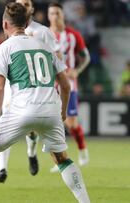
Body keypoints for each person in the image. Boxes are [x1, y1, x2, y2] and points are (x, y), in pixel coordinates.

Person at [0, 3, 90, 203]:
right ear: (28, 22)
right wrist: (62, 112)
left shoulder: (2, 49)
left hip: (22, 110)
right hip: (51, 111)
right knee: (61, 158)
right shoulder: (45, 47)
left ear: (4, 24)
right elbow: (65, 85)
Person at [0, 0, 60, 182]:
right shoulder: (11, 27)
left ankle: (31, 153)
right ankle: (2, 168)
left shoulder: (42, 32)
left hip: (37, 86)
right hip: (14, 83)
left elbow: (56, 59)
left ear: (32, 8)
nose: (23, 5)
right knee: (3, 122)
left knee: (32, 128)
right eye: (20, 3)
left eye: (26, 3)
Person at [48, 3, 91, 172]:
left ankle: (82, 149)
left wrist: (77, 71)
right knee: (53, 123)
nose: (55, 16)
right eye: (51, 13)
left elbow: (85, 57)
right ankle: (59, 160)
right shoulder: (44, 34)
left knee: (71, 123)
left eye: (57, 13)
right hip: (49, 86)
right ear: (48, 15)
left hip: (69, 86)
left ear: (62, 14)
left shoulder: (73, 35)